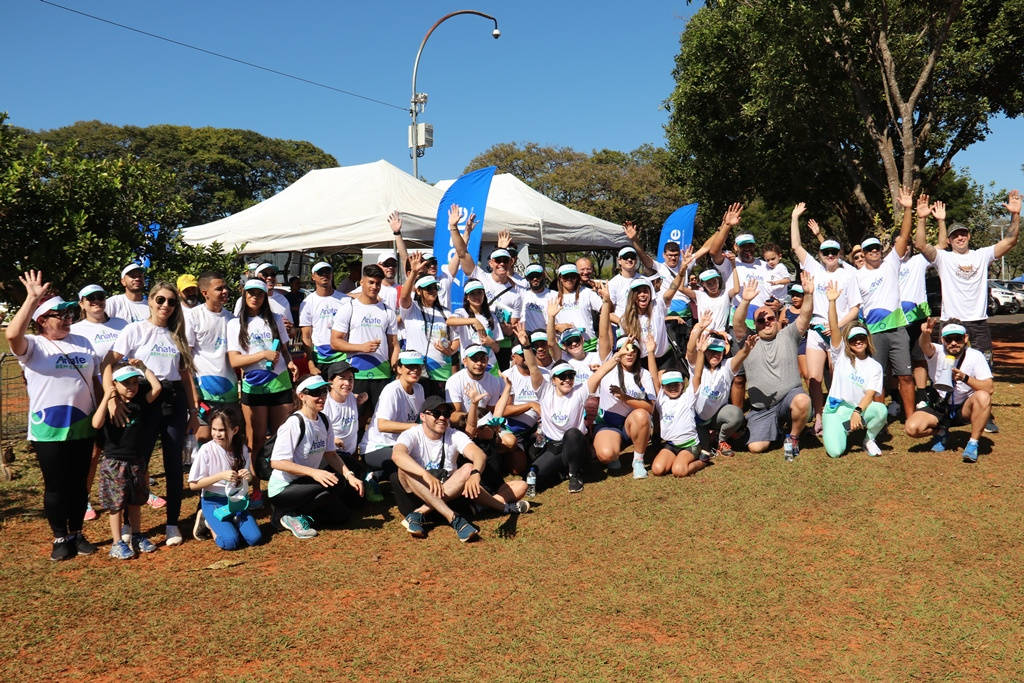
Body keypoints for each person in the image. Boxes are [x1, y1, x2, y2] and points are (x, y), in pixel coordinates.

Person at [7, 271, 100, 561]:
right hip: (48, 428)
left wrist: (103, 411)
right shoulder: (33, 346)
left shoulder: (83, 342)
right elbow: (12, 335)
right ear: (42, 320)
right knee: (56, 485)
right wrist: (31, 299)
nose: (67, 317)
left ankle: (77, 533)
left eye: (69, 312)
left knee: (79, 483)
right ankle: (60, 537)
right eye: (59, 314)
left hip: (83, 425)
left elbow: (95, 380)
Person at [103, 280, 200, 547]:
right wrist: (112, 397)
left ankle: (172, 524)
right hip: (144, 399)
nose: (166, 305)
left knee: (173, 464)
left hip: (174, 400)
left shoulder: (178, 333)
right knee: (137, 464)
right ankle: (128, 525)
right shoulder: (134, 330)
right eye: (160, 300)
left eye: (171, 301)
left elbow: (185, 375)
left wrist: (193, 411)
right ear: (150, 300)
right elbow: (107, 363)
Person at [915, 189, 1019, 434]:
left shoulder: (982, 255)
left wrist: (1015, 215)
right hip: (951, 322)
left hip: (978, 323)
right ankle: (942, 411)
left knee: (984, 370)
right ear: (949, 240)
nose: (960, 237)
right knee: (944, 368)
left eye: (963, 233)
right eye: (955, 235)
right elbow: (921, 245)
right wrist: (921, 218)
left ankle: (983, 413)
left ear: (969, 236)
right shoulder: (943, 258)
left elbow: (1010, 241)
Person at [390, 396, 527, 543]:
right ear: (423, 416)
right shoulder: (412, 434)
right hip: (416, 496)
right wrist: (424, 474)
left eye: (446, 414)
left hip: (446, 494)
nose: (442, 418)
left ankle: (419, 513)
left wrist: (475, 473)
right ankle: (453, 517)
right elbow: (397, 455)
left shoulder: (454, 435)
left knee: (468, 468)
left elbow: (478, 454)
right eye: (436, 413)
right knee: (403, 468)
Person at [518, 326, 634, 494]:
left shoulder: (579, 391)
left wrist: (618, 355)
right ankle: (561, 473)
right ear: (553, 380)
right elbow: (533, 368)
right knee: (533, 477)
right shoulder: (544, 391)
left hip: (578, 447)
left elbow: (601, 371)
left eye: (570, 376)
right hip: (555, 447)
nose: (567, 380)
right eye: (562, 376)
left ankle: (574, 475)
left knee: (572, 434)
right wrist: (526, 346)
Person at [791, 203, 863, 435]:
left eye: (834, 252)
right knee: (813, 378)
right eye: (825, 252)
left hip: (839, 331)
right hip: (815, 330)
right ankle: (819, 418)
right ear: (820, 255)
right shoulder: (815, 269)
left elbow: (855, 308)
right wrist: (795, 218)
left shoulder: (848, 275)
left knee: (838, 376)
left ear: (839, 254)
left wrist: (837, 327)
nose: (830, 255)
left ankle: (839, 416)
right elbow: (796, 246)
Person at [227, 279, 297, 508]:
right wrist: (262, 355)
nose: (254, 297)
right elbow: (234, 360)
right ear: (244, 295)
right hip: (254, 387)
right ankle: (256, 490)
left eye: (259, 293)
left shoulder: (276, 318)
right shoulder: (235, 324)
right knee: (255, 440)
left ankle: (280, 489)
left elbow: (284, 351)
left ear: (265, 296)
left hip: (280, 384)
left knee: (282, 439)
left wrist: (290, 363)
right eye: (250, 293)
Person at [268, 375, 365, 538]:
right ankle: (286, 514)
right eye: (315, 393)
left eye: (324, 391)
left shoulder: (324, 420)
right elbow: (277, 462)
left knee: (342, 516)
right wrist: (314, 472)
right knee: (337, 482)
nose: (321, 397)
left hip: (308, 484)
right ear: (302, 396)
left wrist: (350, 476)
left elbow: (331, 455)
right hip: (284, 489)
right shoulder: (294, 423)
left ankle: (300, 513)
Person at [732, 272, 815, 460]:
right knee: (756, 447)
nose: (766, 322)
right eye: (761, 321)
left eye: (770, 318)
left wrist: (809, 294)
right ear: (755, 324)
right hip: (763, 409)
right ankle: (776, 429)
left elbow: (805, 316)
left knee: (802, 400)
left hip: (789, 398)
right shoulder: (749, 341)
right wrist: (745, 301)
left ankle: (793, 437)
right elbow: (737, 323)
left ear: (776, 319)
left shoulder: (789, 335)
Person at [854, 187, 917, 419]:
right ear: (863, 253)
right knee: (877, 379)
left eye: (877, 248)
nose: (874, 251)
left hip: (898, 329)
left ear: (881, 249)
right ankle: (879, 421)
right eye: (869, 249)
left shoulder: (891, 263)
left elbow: (905, 235)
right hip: (874, 333)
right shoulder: (856, 276)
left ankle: (911, 419)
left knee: (905, 376)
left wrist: (908, 208)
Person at [71, 283, 129, 521]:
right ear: (81, 304)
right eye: (90, 298)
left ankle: (138, 491)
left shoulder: (122, 324)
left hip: (127, 394)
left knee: (130, 447)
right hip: (95, 397)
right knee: (94, 452)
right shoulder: (76, 330)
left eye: (100, 296)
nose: (96, 301)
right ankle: (84, 499)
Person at [93, 363, 162, 559]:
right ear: (114, 383)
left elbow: (157, 387)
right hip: (114, 462)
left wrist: (143, 367)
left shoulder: (139, 402)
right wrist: (107, 397)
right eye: (126, 383)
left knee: (136, 500)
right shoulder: (110, 406)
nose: (132, 387)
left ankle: (137, 536)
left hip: (136, 460)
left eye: (134, 382)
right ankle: (117, 543)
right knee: (116, 504)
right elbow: (96, 423)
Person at [904, 320, 994, 462]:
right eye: (948, 339)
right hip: (939, 406)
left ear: (965, 338)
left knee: (983, 396)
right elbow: (925, 345)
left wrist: (965, 378)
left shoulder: (975, 356)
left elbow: (989, 387)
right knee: (911, 428)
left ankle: (972, 444)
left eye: (958, 338)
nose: (953, 343)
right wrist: (925, 334)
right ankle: (941, 432)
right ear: (942, 340)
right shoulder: (937, 352)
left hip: (963, 408)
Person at [450, 205, 522, 371]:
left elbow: (512, 328)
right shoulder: (481, 277)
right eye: (498, 261)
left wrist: (507, 329)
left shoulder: (516, 293)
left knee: (498, 383)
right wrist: (454, 228)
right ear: (491, 263)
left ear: (511, 262)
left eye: (505, 260)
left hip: (499, 346)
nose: (502, 264)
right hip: (474, 343)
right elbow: (462, 253)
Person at [594, 287, 657, 477]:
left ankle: (638, 460)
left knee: (642, 415)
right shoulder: (609, 365)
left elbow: (650, 407)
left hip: (632, 422)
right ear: (617, 352)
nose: (629, 353)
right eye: (624, 350)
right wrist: (606, 302)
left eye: (633, 350)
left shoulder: (643, 374)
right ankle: (614, 448)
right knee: (606, 455)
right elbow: (604, 334)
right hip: (609, 422)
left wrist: (624, 397)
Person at [331, 264, 400, 431]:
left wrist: (396, 371)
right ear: (361, 282)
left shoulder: (387, 311)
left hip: (382, 374)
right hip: (357, 374)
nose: (374, 287)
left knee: (383, 421)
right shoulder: (349, 308)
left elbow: (394, 344)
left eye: (378, 283)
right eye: (371, 282)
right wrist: (361, 347)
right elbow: (335, 342)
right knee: (354, 421)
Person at [821, 283, 887, 458]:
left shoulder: (875, 366)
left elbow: (870, 394)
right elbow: (834, 328)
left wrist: (857, 412)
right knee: (835, 452)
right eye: (853, 339)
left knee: (880, 410)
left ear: (867, 339)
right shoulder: (840, 355)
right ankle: (840, 428)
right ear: (848, 343)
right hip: (835, 411)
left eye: (861, 338)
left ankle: (869, 439)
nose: (858, 341)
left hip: (857, 409)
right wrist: (832, 302)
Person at [188, 410, 264, 550]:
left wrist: (247, 477)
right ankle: (207, 522)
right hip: (213, 501)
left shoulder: (242, 450)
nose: (217, 434)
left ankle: (229, 522)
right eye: (214, 429)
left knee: (255, 539)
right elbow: (193, 484)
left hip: (236, 501)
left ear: (234, 430)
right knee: (230, 542)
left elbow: (246, 480)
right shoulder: (206, 450)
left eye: (222, 430)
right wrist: (220, 476)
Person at [685, 311, 750, 457]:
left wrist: (746, 349)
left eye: (719, 352)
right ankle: (708, 437)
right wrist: (700, 328)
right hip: (695, 419)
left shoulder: (726, 366)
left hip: (715, 417)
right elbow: (690, 350)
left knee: (735, 415)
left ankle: (721, 440)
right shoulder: (698, 366)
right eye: (711, 351)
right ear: (705, 351)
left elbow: (739, 357)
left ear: (723, 353)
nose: (715, 355)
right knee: (701, 451)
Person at [184, 270, 238, 441]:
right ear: (205, 293)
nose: (225, 291)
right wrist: (193, 391)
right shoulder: (193, 316)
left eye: (225, 287)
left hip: (229, 391)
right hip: (204, 392)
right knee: (203, 438)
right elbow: (185, 358)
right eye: (219, 288)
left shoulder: (232, 319)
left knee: (227, 439)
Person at [649, 334, 708, 477]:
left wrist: (701, 352)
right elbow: (654, 377)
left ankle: (702, 461)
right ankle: (677, 459)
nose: (673, 388)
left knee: (678, 471)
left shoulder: (688, 397)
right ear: (663, 387)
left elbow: (697, 376)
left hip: (690, 446)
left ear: (683, 385)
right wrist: (650, 352)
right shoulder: (661, 398)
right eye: (669, 386)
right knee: (657, 469)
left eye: (676, 384)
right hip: (671, 445)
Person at [400, 253, 459, 397]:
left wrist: (450, 351)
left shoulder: (445, 312)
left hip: (441, 372)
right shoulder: (411, 309)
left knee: (440, 409)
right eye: (428, 288)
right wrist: (414, 273)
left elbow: (456, 339)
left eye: (435, 287)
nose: (433, 290)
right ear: (418, 291)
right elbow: (404, 297)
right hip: (417, 371)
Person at [360, 352, 426, 479]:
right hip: (377, 447)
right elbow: (382, 425)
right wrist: (415, 427)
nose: (415, 370)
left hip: (402, 444)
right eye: (410, 366)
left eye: (418, 366)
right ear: (399, 369)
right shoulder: (392, 390)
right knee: (411, 463)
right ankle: (372, 477)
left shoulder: (419, 389)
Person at [298, 261, 350, 376]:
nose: (324, 275)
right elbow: (306, 336)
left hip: (342, 356)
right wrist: (311, 365)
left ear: (332, 274)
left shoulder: (346, 300)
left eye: (327, 271)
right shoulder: (307, 303)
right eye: (320, 272)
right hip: (319, 358)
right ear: (313, 276)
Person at [447, 279, 502, 373]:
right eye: (472, 293)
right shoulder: (462, 313)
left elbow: (497, 349)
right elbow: (449, 321)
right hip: (470, 365)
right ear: (467, 297)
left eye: (479, 292)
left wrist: (491, 343)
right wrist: (474, 321)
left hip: (491, 366)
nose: (477, 296)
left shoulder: (491, 316)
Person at [550, 263, 604, 352]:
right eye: (565, 276)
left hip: (589, 345)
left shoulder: (587, 292)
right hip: (565, 347)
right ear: (560, 278)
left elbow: (607, 310)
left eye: (573, 276)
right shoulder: (552, 298)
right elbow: (546, 324)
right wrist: (557, 327)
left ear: (577, 277)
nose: (569, 279)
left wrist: (605, 298)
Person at [234, 263, 294, 335]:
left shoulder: (283, 300)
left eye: (273, 274)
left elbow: (292, 332)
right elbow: (236, 327)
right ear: (256, 277)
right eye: (265, 275)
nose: (269, 278)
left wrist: (289, 329)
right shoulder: (244, 300)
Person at [520, 264, 552, 333]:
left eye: (538, 276)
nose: (535, 279)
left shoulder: (553, 295)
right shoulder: (522, 294)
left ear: (543, 275)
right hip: (528, 334)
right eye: (531, 277)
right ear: (527, 278)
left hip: (545, 335)